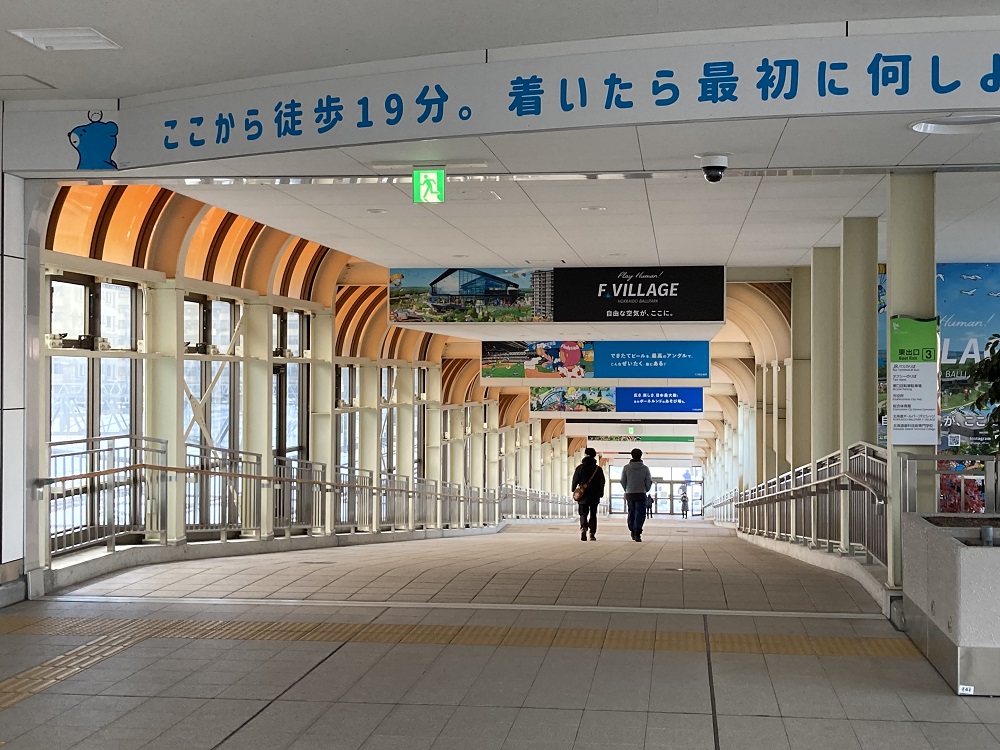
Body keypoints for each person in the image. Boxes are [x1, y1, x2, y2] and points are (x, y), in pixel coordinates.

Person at [571, 447, 605, 541]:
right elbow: (602, 482)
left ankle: (583, 529)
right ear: (594, 456)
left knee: (583, 513)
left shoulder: (580, 468)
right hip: (594, 495)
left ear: (585, 455)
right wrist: (601, 493)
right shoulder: (598, 469)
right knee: (593, 513)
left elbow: (575, 480)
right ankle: (592, 533)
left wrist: (573, 489)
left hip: (583, 495)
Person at [621, 448, 652, 542]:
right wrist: (645, 489)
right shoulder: (645, 468)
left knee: (631, 512)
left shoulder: (626, 468)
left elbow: (623, 481)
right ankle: (637, 531)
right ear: (641, 456)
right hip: (641, 493)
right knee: (640, 513)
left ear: (631, 455)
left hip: (630, 493)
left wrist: (627, 489)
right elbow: (648, 481)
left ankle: (632, 529)